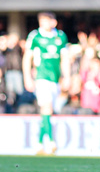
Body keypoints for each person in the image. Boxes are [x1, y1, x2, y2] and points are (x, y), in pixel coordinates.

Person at [23, 12, 71, 155]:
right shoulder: (35, 36)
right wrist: (27, 77)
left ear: (53, 22)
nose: (43, 23)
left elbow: (65, 59)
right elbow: (27, 57)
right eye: (41, 21)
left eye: (46, 20)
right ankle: (50, 141)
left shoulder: (60, 36)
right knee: (47, 107)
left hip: (55, 79)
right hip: (41, 77)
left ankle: (39, 143)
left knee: (47, 111)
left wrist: (67, 77)